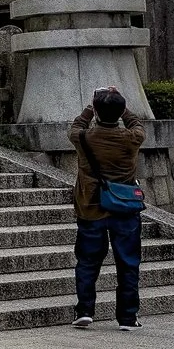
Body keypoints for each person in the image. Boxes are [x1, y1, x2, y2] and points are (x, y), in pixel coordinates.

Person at [70, 86, 145, 330]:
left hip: (91, 207)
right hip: (125, 208)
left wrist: (90, 107)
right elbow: (137, 124)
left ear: (97, 111)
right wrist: (123, 108)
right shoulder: (132, 138)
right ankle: (127, 317)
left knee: (87, 261)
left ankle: (84, 310)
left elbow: (76, 126)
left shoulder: (84, 138)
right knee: (128, 262)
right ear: (120, 112)